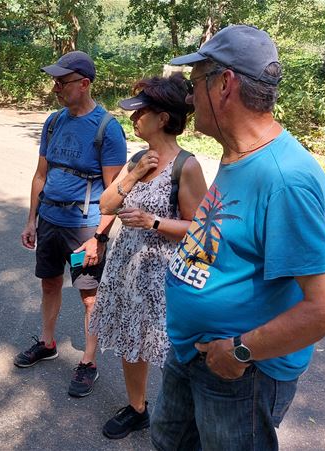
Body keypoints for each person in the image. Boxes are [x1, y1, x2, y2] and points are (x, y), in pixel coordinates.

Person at [151, 25, 325, 450]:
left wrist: (239, 351)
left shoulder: (284, 178)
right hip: (193, 352)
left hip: (238, 372)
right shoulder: (237, 154)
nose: (189, 98)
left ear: (224, 84)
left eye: (195, 84)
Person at [87, 73, 207, 439]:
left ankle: (183, 416)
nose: (133, 118)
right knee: (131, 340)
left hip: (164, 274)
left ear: (164, 118)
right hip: (127, 267)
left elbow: (201, 230)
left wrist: (153, 221)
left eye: (141, 112)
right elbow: (106, 204)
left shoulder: (187, 167)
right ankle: (137, 408)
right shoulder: (138, 158)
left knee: (169, 348)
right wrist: (134, 174)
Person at [15, 50, 127, 398]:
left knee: (89, 296)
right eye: (55, 82)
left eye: (62, 83)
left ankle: (89, 362)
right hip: (50, 222)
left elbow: (115, 192)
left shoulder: (108, 129)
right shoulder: (53, 121)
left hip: (83, 231)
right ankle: (48, 343)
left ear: (84, 83)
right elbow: (40, 175)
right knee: (49, 284)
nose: (55, 89)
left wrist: (98, 237)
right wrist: (31, 219)